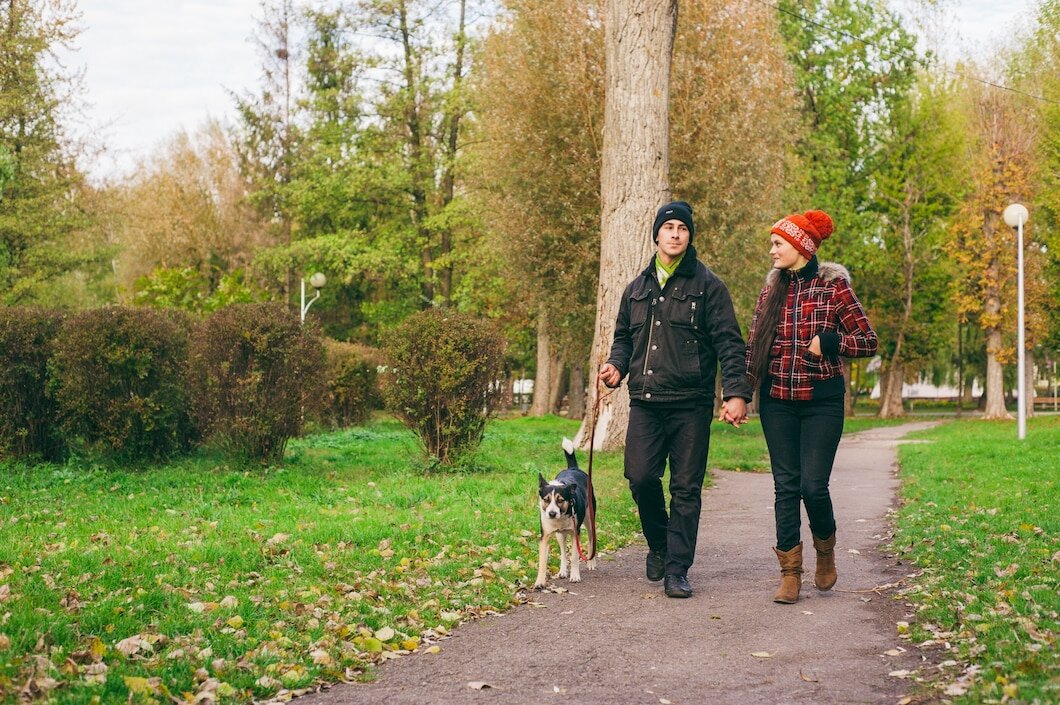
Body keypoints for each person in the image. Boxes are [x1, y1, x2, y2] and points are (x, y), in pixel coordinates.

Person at [599, 200, 752, 599]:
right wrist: (616, 367)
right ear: (656, 235)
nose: (675, 234)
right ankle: (660, 544)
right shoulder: (637, 288)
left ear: (689, 237)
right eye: (668, 227)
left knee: (686, 488)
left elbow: (729, 344)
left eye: (683, 229)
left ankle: (677, 569)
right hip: (646, 401)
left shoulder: (708, 285)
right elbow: (623, 338)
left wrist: (735, 393)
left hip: (690, 403)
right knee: (640, 476)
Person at [744, 210, 878, 604]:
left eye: (777, 243)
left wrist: (830, 342)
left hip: (822, 402)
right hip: (776, 403)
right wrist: (737, 394)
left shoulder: (834, 288)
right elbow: (753, 347)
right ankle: (789, 573)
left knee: (812, 486)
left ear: (801, 245)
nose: (772, 250)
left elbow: (868, 342)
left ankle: (825, 552)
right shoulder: (771, 291)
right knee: (785, 487)